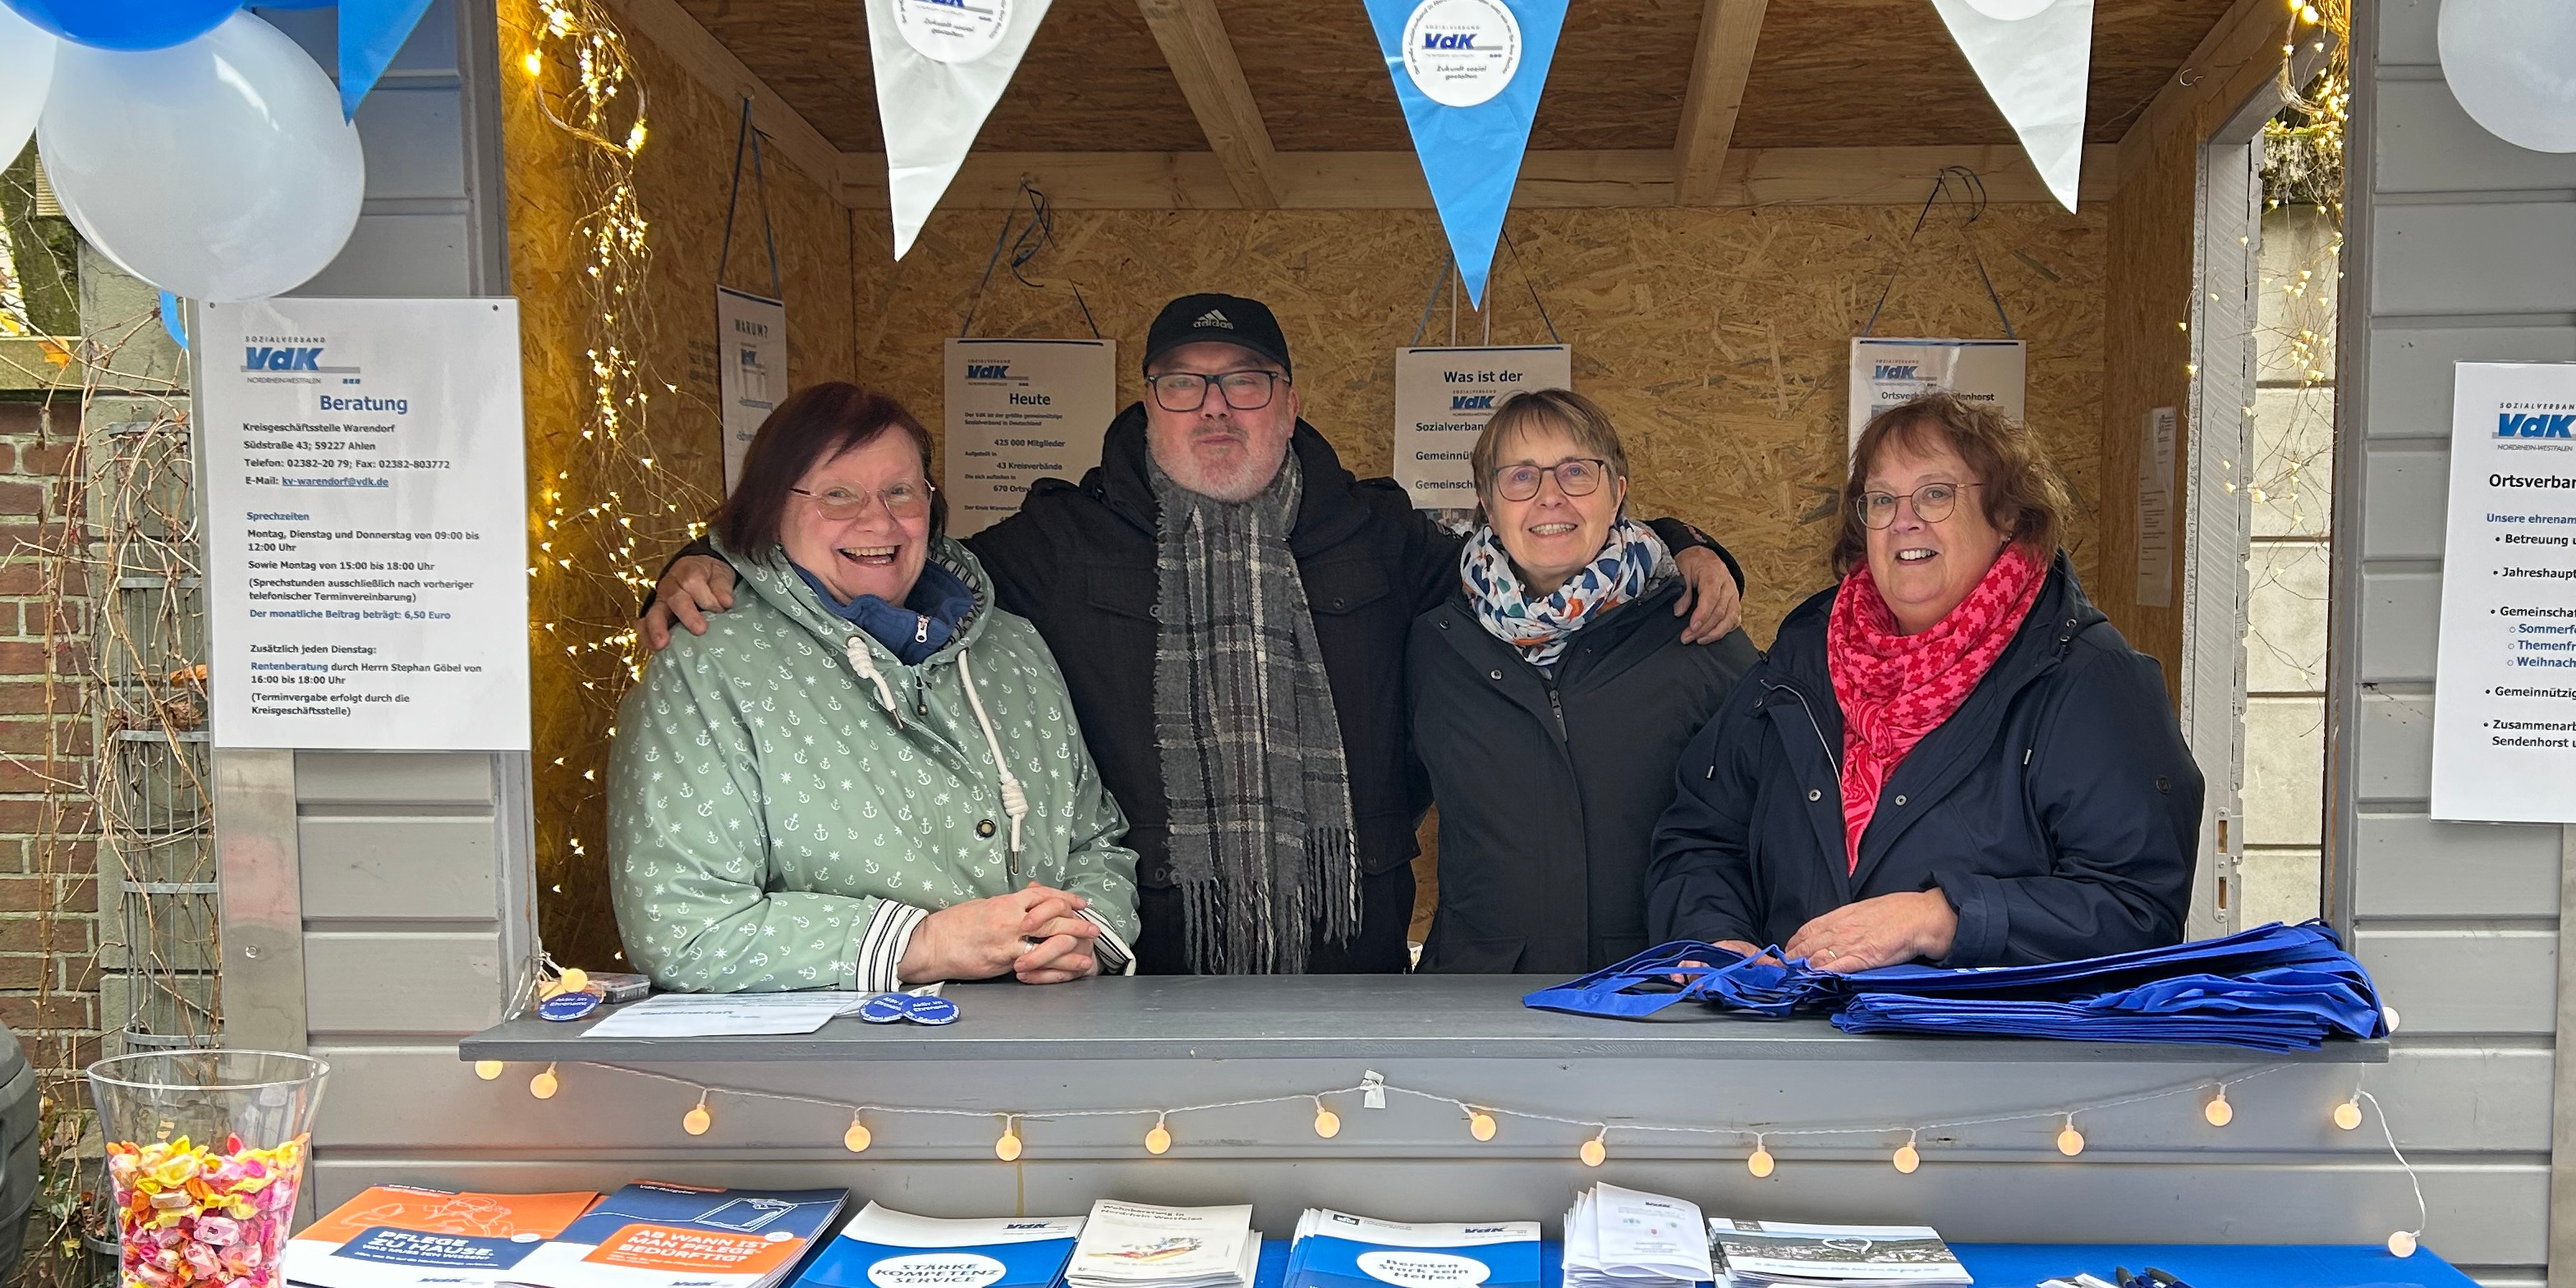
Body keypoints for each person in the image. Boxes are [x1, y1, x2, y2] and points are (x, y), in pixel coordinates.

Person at [641, 293, 1743, 974]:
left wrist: (1688, 547)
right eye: (1185, 385)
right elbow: (898, 556)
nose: (1216, 407)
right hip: (1146, 976)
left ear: (1289, 398)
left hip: (1351, 969)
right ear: (1149, 400)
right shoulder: (1062, 543)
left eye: (1246, 383)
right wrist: (709, 558)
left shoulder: (1377, 535)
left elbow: (1530, 557)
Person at [609, 381, 1136, 993]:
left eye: (900, 492)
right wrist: (925, 945)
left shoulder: (1012, 648)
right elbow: (681, 926)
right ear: (770, 507)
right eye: (838, 494)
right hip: (838, 1074)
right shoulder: (709, 666)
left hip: (1046, 1052)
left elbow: (1096, 839)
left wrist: (1083, 934)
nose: (877, 520)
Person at [1646, 390, 2200, 969]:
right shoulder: (1802, 658)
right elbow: (1701, 836)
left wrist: (1942, 919)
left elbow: (2138, 909)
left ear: (2008, 515)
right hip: (1801, 1043)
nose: (1904, 520)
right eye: (1881, 500)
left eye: (1936, 494)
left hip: (1986, 1053)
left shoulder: (2088, 677)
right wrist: (1714, 934)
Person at [1409, 388, 1755, 973]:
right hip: (1480, 996)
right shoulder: (1436, 645)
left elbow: (1763, 824)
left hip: (1654, 990)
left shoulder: (1699, 633)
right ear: (1488, 504)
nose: (1550, 497)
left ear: (1617, 491)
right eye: (1520, 477)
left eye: (1576, 472)